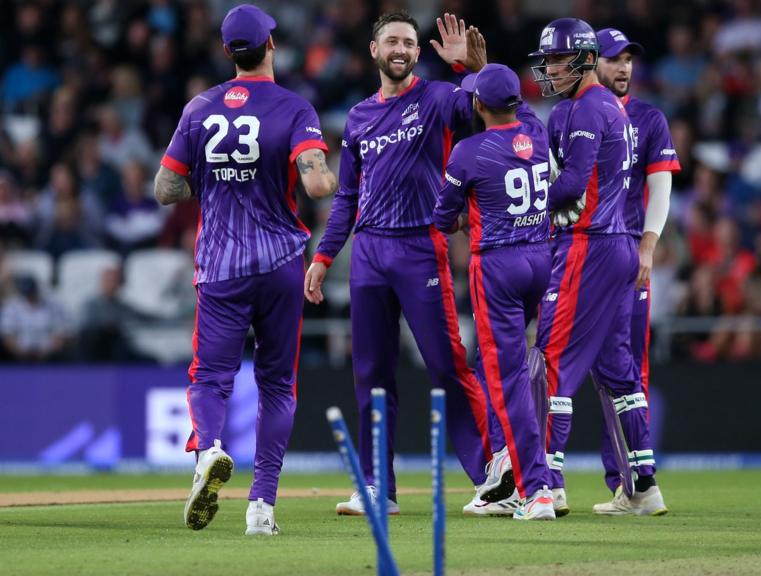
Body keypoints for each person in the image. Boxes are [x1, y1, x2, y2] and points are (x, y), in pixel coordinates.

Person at [154, 4, 336, 536]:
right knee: (277, 383)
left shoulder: (199, 107)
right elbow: (318, 185)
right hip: (280, 263)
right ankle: (262, 506)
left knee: (210, 376)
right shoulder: (294, 107)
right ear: (271, 46)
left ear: (227, 51)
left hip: (221, 266)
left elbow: (165, 189)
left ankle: (209, 448)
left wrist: (213, 182)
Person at [304, 11, 492, 516]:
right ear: (374, 50)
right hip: (368, 253)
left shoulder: (436, 99)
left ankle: (492, 478)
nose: (401, 49)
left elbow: (488, 112)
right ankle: (375, 489)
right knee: (371, 375)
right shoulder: (359, 117)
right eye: (392, 41)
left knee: (446, 365)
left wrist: (467, 70)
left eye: (409, 42)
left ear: (416, 50)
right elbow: (347, 196)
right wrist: (324, 255)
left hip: (420, 247)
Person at [529, 18, 667, 517]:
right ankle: (644, 487)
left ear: (583, 59)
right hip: (618, 245)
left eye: (555, 60)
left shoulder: (587, 108)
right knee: (617, 370)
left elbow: (570, 186)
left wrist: (524, 202)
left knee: (551, 359)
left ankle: (547, 484)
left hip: (587, 245)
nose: (548, 70)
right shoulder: (607, 106)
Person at [433, 62, 555, 520]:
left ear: (478, 105)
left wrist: (465, 217)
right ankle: (510, 478)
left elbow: (444, 218)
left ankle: (535, 487)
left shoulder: (467, 150)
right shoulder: (537, 134)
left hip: (498, 266)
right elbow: (520, 114)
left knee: (507, 381)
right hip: (540, 259)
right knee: (493, 365)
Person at [585, 28, 681, 514]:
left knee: (624, 369)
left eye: (628, 60)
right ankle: (630, 482)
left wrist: (647, 247)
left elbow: (660, 189)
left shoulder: (648, 118)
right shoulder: (576, 114)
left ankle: (634, 483)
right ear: (591, 63)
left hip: (623, 258)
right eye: (612, 59)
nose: (623, 68)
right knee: (608, 371)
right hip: (582, 258)